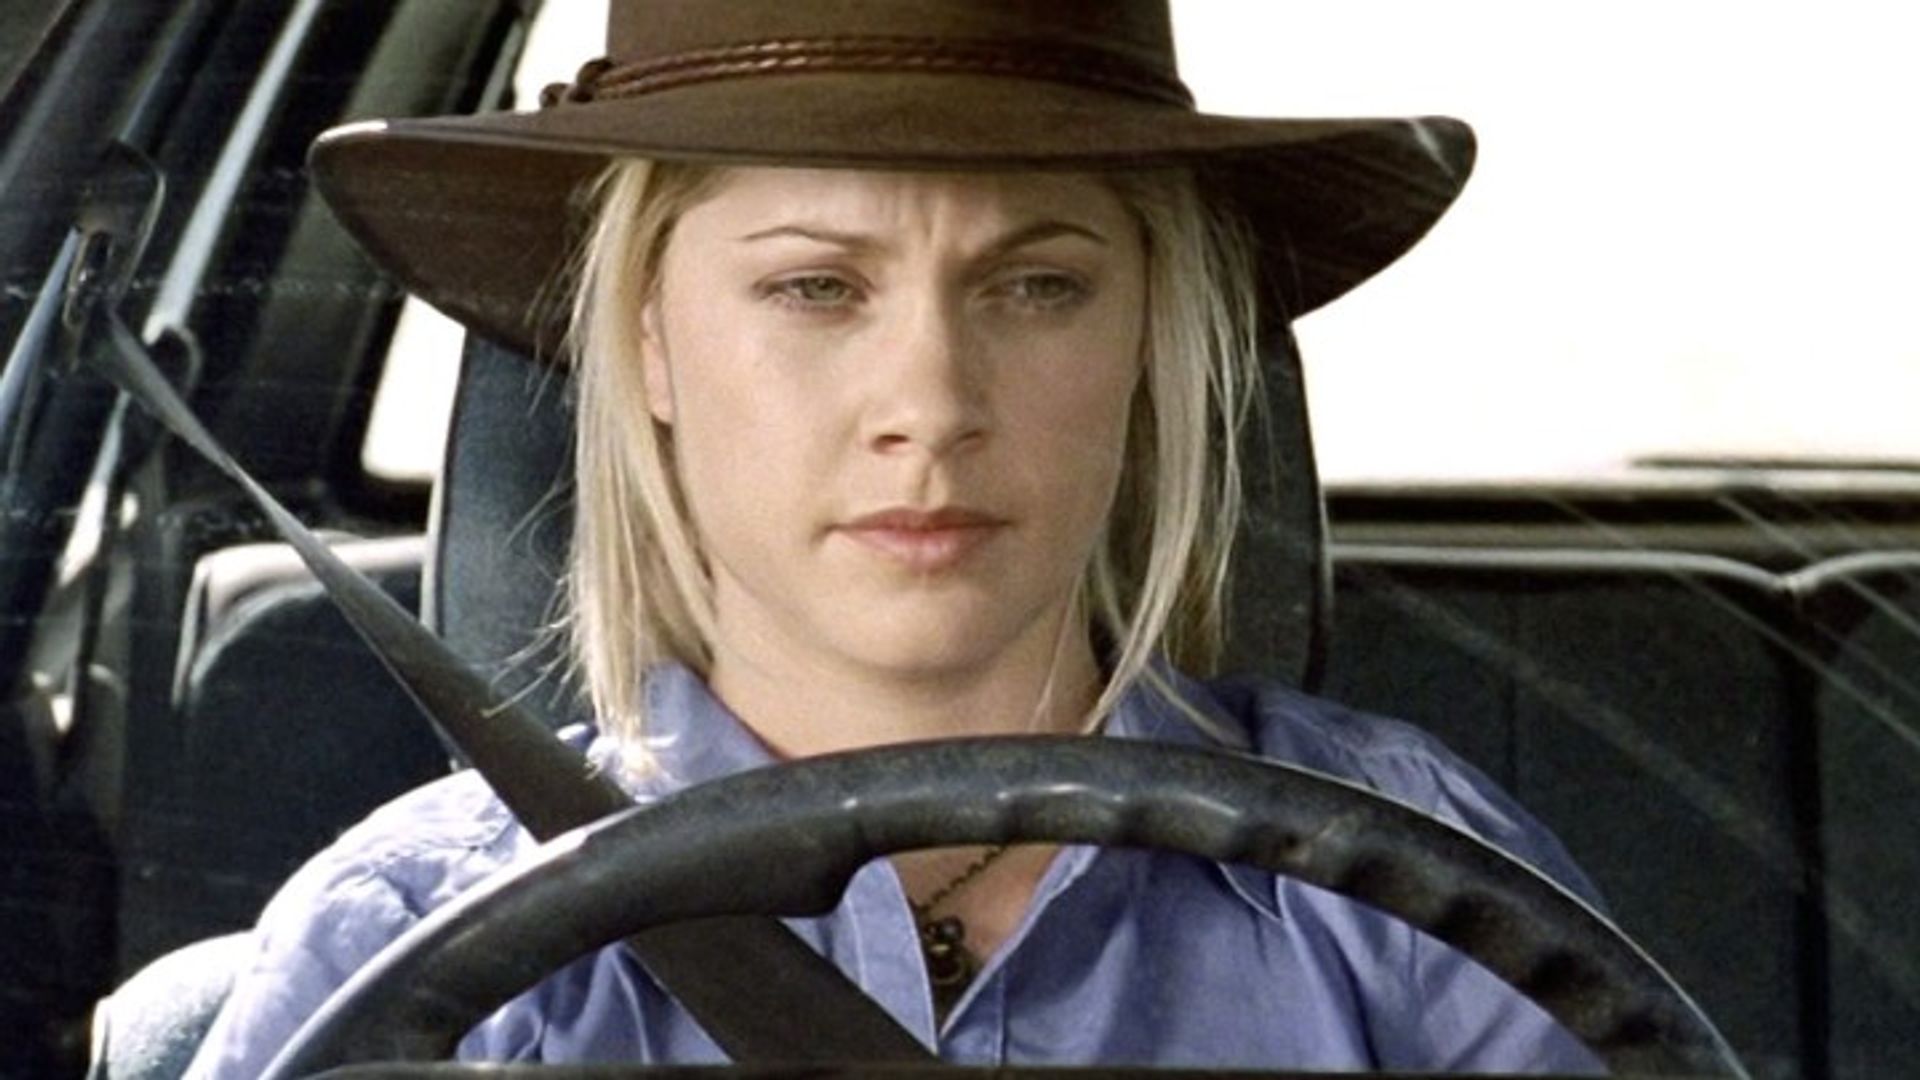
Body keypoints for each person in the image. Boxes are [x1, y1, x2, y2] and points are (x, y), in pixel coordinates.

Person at [189, 1, 1606, 1074]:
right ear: (650, 342)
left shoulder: (1413, 899)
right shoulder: (415, 946)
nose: (930, 405)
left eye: (1037, 286)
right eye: (816, 287)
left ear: (1146, 342)